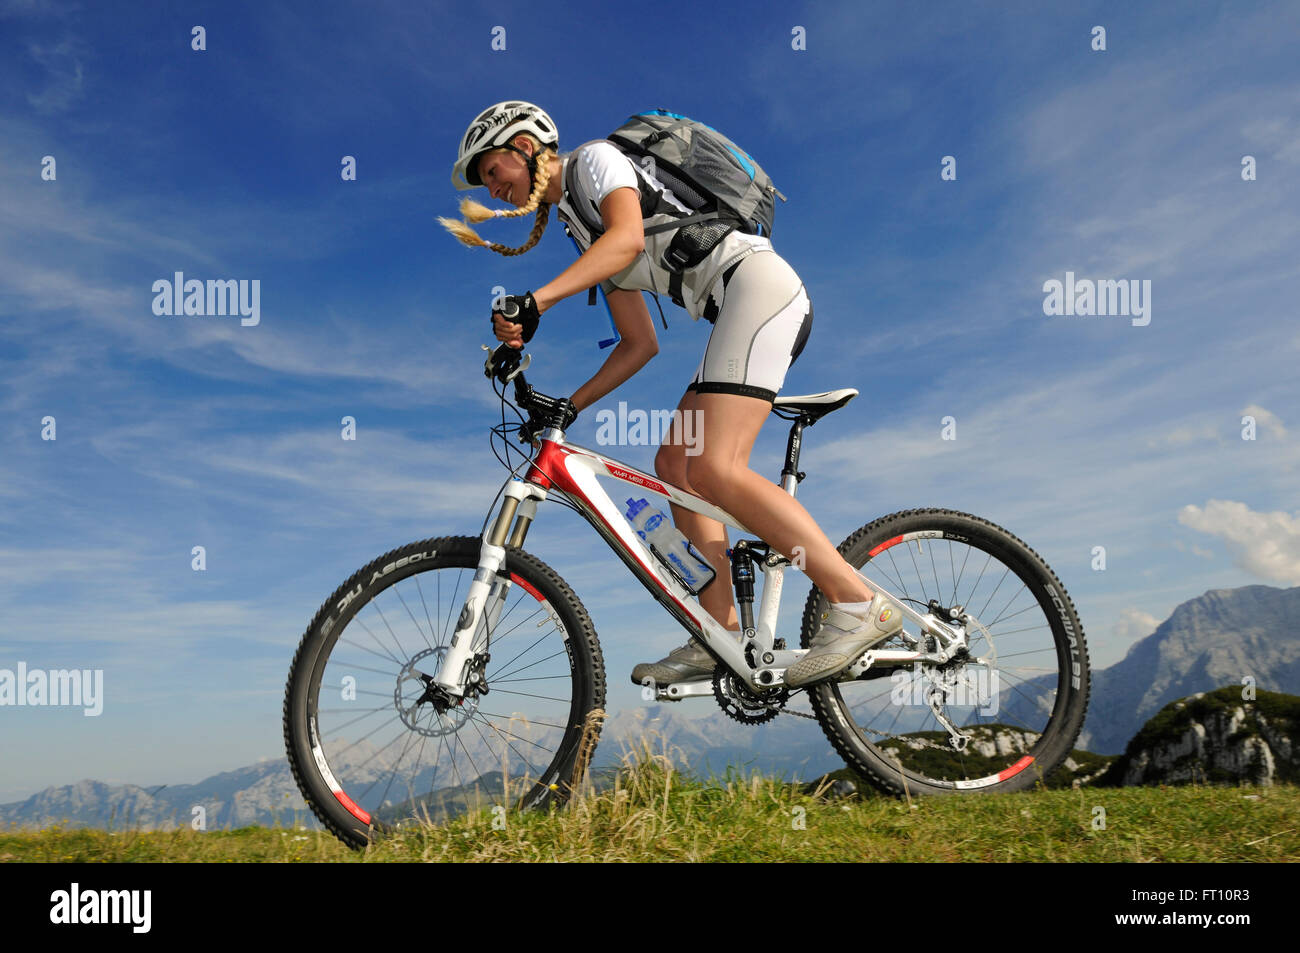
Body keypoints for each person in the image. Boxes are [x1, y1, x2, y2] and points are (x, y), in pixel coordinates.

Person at [439, 101, 901, 689]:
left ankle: (857, 602)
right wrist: (571, 404)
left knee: (714, 466)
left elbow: (630, 239)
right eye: (484, 183)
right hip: (735, 308)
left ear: (526, 147)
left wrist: (537, 302)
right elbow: (638, 343)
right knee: (675, 465)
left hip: (757, 288)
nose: (493, 188)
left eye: (493, 171)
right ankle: (718, 630)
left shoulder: (596, 163)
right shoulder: (584, 230)